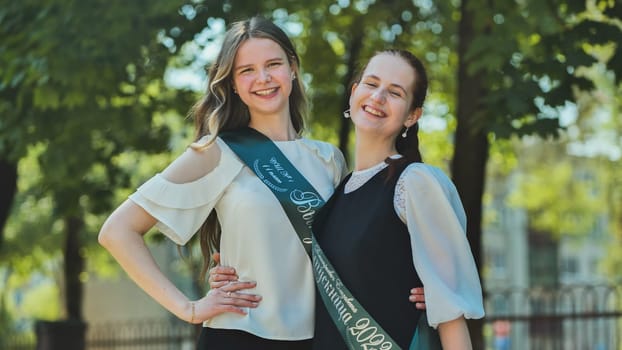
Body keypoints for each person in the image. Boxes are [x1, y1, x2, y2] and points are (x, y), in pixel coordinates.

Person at [98, 16, 424, 349]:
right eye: (246, 70)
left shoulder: (329, 160)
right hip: (239, 335)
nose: (263, 78)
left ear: (292, 68)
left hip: (316, 338)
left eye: (273, 64)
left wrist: (418, 286)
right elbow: (117, 231)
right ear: (233, 84)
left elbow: (357, 249)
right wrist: (189, 308)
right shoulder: (217, 152)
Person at [310, 50, 485, 349]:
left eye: (394, 92)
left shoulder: (415, 183)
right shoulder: (336, 192)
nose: (378, 97)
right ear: (354, 93)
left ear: (412, 115)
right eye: (371, 84)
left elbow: (450, 311)